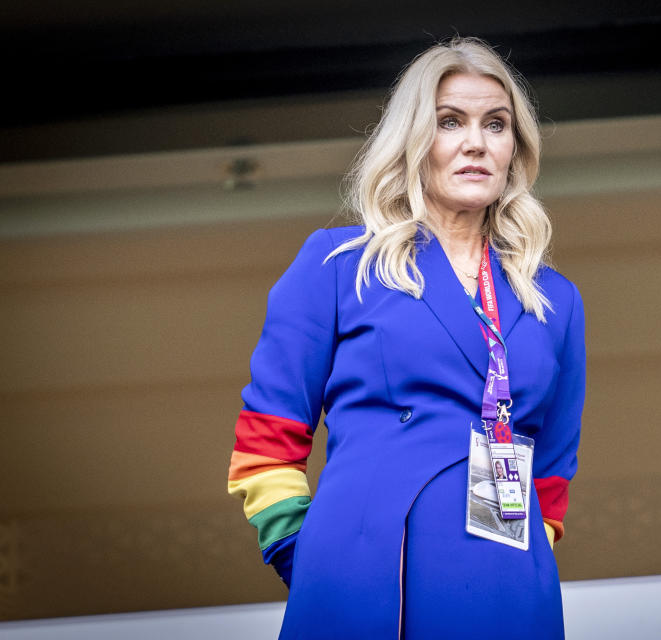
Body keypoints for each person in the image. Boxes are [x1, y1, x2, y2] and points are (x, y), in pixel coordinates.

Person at [227, 37, 586, 639]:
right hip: (364, 575)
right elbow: (266, 439)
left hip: (507, 591)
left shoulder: (556, 300)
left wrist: (527, 563)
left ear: (515, 150)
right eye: (451, 122)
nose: (476, 142)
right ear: (415, 140)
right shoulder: (339, 265)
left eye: (496, 125)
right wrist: (312, 557)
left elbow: (551, 473)